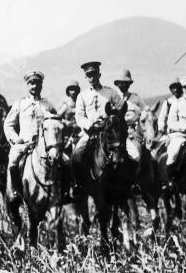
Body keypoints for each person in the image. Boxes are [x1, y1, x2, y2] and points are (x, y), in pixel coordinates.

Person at [4, 71, 58, 201]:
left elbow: (56, 122)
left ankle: (65, 192)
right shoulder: (20, 103)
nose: (34, 86)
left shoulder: (48, 105)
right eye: (31, 83)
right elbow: (8, 124)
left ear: (41, 85)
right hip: (25, 144)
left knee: (64, 160)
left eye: (37, 83)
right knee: (13, 161)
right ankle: (16, 192)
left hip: (45, 146)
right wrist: (16, 140)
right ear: (27, 85)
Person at [71, 60, 121, 198]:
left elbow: (121, 107)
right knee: (76, 155)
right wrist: (90, 125)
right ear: (85, 77)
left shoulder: (110, 92)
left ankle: (131, 183)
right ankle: (78, 185)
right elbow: (79, 116)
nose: (92, 78)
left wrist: (113, 118)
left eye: (94, 74)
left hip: (109, 131)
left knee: (124, 151)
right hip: (90, 133)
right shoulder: (82, 96)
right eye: (89, 75)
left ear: (99, 74)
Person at [113, 69, 147, 161]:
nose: (124, 85)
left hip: (134, 133)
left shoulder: (136, 98)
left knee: (141, 156)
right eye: (121, 83)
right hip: (118, 135)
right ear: (117, 84)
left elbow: (145, 112)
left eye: (126, 83)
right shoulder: (114, 98)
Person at [57, 80, 82, 148]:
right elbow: (57, 117)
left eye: (75, 89)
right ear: (68, 91)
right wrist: (65, 122)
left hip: (80, 132)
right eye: (71, 90)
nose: (73, 92)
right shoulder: (65, 105)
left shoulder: (81, 104)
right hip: (67, 134)